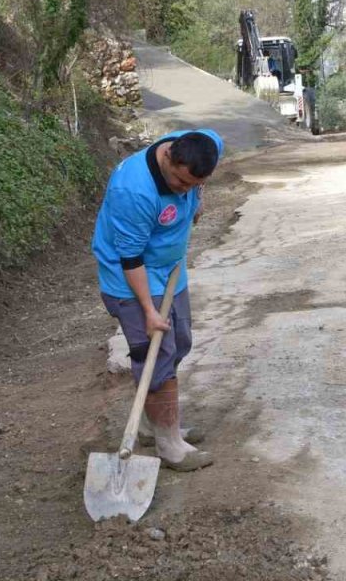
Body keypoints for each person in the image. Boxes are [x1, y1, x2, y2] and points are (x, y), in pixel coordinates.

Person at [92, 129, 222, 471]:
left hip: (171, 270)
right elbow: (130, 258)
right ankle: (169, 445)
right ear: (168, 158)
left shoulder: (202, 143)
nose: (184, 191)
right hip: (133, 279)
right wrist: (148, 311)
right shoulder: (134, 191)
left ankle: (155, 424)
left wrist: (198, 195)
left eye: (193, 184)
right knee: (157, 357)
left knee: (179, 343)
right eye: (181, 183)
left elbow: (197, 175)